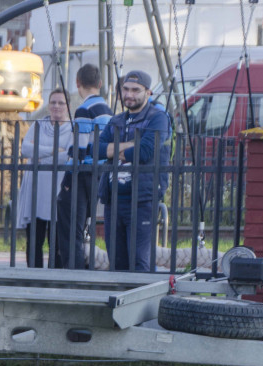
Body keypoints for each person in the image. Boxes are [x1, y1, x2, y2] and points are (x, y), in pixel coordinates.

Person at [97, 70, 171, 272]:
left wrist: (114, 149)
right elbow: (98, 149)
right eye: (126, 89)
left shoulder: (158, 119)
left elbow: (144, 152)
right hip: (113, 198)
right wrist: (129, 145)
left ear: (148, 93)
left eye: (135, 90)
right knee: (117, 261)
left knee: (139, 262)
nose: (129, 94)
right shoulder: (116, 120)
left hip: (142, 198)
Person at [54, 64, 113, 269]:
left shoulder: (83, 110)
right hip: (99, 173)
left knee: (72, 231)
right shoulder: (108, 110)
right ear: (100, 84)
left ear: (78, 83)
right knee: (85, 227)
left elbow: (78, 149)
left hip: (81, 175)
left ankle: (73, 273)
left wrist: (68, 181)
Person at [16, 89, 74, 268]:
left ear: (68, 106)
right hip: (36, 189)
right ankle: (34, 278)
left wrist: (39, 152)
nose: (56, 106)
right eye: (53, 102)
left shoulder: (72, 128)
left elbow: (68, 156)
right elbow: (25, 149)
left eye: (61, 103)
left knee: (55, 242)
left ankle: (53, 279)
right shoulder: (39, 125)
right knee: (34, 240)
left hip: (57, 189)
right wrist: (55, 150)